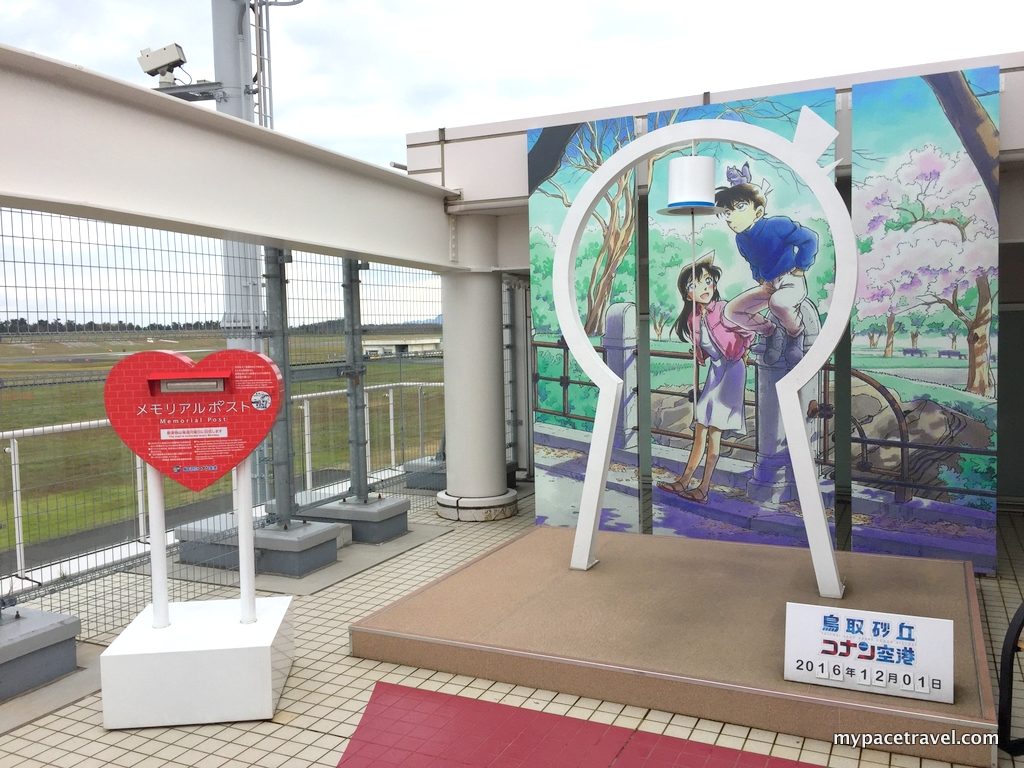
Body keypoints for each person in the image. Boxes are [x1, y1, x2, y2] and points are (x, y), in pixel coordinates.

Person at [657, 255, 753, 503]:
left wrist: (743, 352)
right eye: (695, 284)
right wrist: (699, 353)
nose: (704, 287)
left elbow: (748, 331)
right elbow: (706, 345)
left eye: (708, 281)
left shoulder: (723, 309)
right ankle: (684, 480)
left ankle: (704, 487)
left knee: (714, 432)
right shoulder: (693, 319)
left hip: (732, 371)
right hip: (715, 370)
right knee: (700, 427)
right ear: (688, 294)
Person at [717, 179, 818, 366]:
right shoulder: (741, 239)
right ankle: (771, 332)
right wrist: (760, 279)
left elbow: (810, 239)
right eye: (727, 212)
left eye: (739, 207)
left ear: (758, 212)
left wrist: (801, 267)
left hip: (791, 279)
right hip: (769, 285)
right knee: (731, 310)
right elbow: (753, 262)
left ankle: (795, 334)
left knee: (778, 302)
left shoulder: (778, 225)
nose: (730, 217)